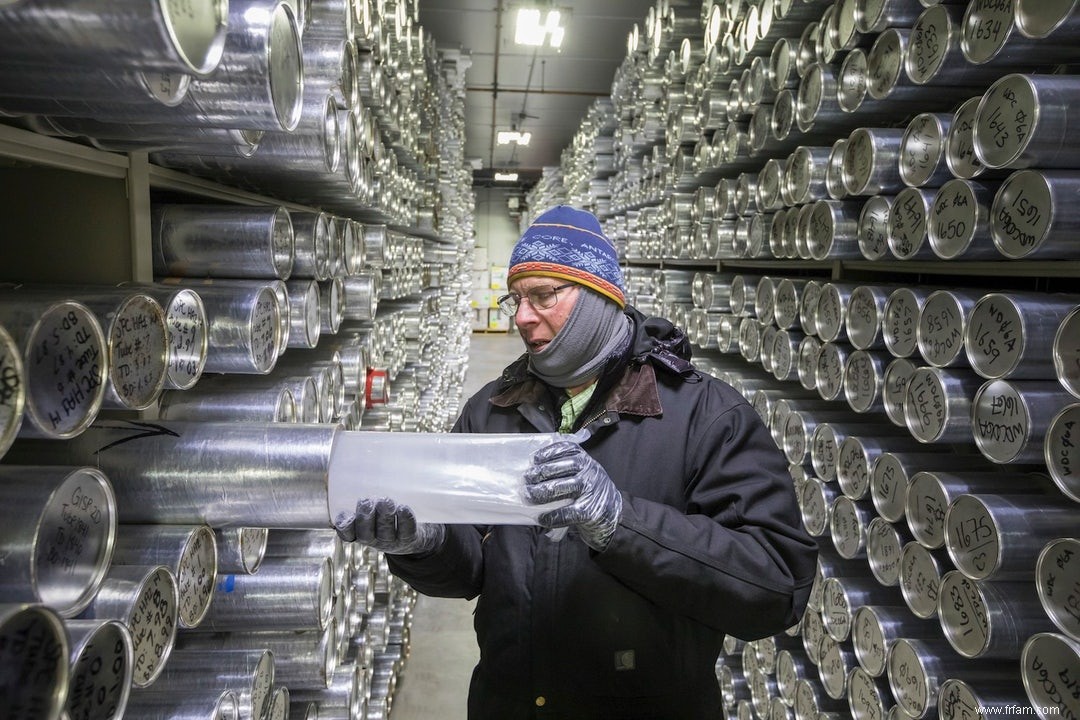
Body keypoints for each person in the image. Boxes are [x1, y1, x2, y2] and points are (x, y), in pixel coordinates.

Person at [336, 205, 818, 719]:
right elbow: (472, 569)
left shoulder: (705, 417)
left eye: (543, 295)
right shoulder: (492, 411)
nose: (521, 316)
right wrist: (424, 544)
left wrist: (620, 523)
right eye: (516, 299)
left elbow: (776, 585)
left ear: (598, 295)